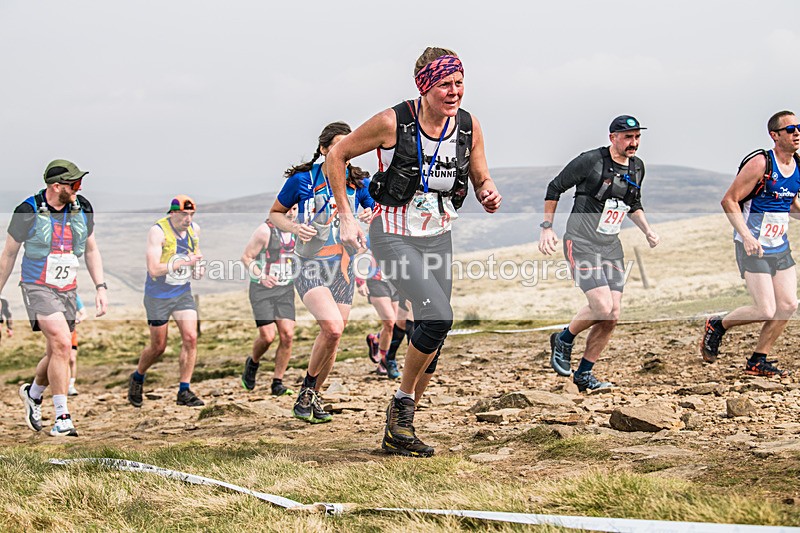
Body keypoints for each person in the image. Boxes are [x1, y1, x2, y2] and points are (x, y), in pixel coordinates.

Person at [328, 48, 502, 457]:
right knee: (439, 317)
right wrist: (345, 215)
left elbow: (480, 174)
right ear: (425, 86)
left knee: (432, 336)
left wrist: (487, 191)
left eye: (459, 83)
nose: (454, 91)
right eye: (445, 84)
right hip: (392, 234)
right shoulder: (393, 122)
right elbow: (338, 155)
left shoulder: (468, 125)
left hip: (438, 234)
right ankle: (401, 409)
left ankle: (399, 429)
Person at [539, 116, 660, 392]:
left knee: (612, 315)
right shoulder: (591, 161)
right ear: (612, 137)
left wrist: (647, 230)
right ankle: (564, 338)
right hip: (581, 242)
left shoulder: (637, 167)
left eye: (637, 137)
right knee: (602, 307)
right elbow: (554, 187)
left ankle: (584, 375)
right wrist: (546, 227)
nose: (634, 143)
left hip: (610, 245)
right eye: (628, 137)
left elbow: (633, 204)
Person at [269, 121, 374, 424]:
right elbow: (274, 214)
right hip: (310, 265)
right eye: (338, 146)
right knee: (333, 328)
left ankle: (311, 396)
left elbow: (374, 208)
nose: (344, 152)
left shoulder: (358, 182)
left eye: (349, 146)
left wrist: (369, 212)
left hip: (343, 268)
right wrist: (294, 226)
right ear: (325, 149)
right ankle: (306, 391)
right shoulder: (302, 180)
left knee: (333, 339)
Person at [0, 159, 108, 437]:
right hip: (37, 287)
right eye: (74, 184)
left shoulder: (82, 207)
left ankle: (33, 393)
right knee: (62, 343)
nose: (79, 188)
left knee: (55, 352)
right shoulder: (27, 210)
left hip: (67, 289)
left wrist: (100, 286)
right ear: (56, 186)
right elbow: (9, 255)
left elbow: (91, 249)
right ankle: (62, 417)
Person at [700, 110, 800, 377]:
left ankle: (758, 359)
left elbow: (788, 202)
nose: (797, 133)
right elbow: (729, 200)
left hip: (779, 245)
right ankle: (718, 325)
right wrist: (746, 235)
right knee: (765, 309)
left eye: (798, 128)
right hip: (752, 245)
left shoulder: (798, 164)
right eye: (790, 129)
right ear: (775, 135)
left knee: (789, 305)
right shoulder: (760, 163)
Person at [128, 195, 205, 408]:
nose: (188, 219)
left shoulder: (193, 230)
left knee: (191, 338)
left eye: (191, 214)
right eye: (183, 215)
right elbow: (154, 269)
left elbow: (196, 253)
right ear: (172, 213)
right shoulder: (158, 232)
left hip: (182, 292)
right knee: (158, 347)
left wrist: (198, 267)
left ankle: (184, 390)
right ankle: (138, 376)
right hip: (158, 295)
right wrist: (183, 263)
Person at [240, 204, 298, 396]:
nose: (291, 213)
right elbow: (247, 257)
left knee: (287, 335)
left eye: (295, 209)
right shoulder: (265, 231)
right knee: (267, 336)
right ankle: (253, 362)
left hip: (285, 289)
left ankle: (277, 382)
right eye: (287, 209)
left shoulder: (299, 230)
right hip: (262, 289)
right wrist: (262, 276)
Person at [358, 244, 413, 380]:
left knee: (393, 325)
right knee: (389, 322)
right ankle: (385, 362)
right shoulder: (373, 233)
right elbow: (357, 255)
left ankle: (376, 340)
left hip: (395, 282)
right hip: (376, 281)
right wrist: (360, 281)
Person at [67, 294, 88, 396]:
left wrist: (78, 320)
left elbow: (84, 313)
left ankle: (71, 386)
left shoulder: (74, 296)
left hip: (71, 332)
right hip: (57, 331)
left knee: (72, 359)